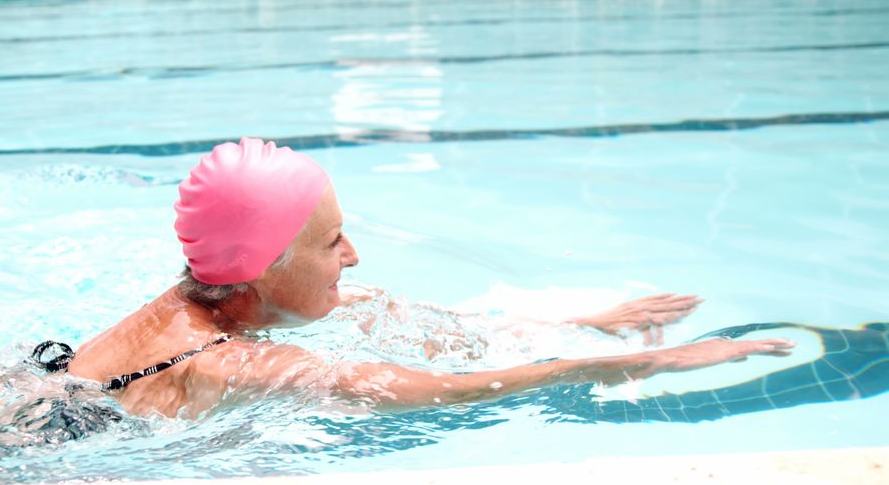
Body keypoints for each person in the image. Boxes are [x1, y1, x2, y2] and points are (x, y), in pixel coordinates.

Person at [56, 138, 797, 418]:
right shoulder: (232, 361)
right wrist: (645, 359)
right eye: (332, 242)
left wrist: (579, 319)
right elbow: (446, 391)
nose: (353, 257)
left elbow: (430, 332)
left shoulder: (207, 294)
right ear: (261, 271)